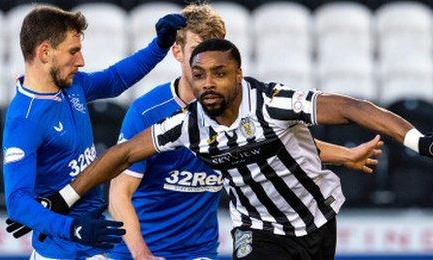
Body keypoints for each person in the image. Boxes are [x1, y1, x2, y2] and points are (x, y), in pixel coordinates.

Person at [49, 38, 433, 259]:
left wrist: (421, 141)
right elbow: (120, 156)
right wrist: (65, 198)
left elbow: (351, 108)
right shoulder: (186, 125)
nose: (207, 84)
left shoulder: (275, 104)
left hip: (315, 222)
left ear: (239, 75)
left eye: (219, 74)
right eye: (199, 75)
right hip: (257, 231)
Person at [106, 4, 383, 260]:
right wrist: (142, 256)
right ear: (177, 52)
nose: (208, 62)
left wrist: (346, 156)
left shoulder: (240, 102)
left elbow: (281, 144)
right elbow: (119, 194)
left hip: (198, 251)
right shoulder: (148, 112)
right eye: (198, 51)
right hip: (138, 251)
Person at [1, 6, 186, 259]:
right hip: (61, 250)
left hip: (92, 241)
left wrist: (159, 47)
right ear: (45, 53)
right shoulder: (24, 120)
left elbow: (115, 79)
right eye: (73, 51)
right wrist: (73, 228)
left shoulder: (72, 85)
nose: (81, 61)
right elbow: (17, 203)